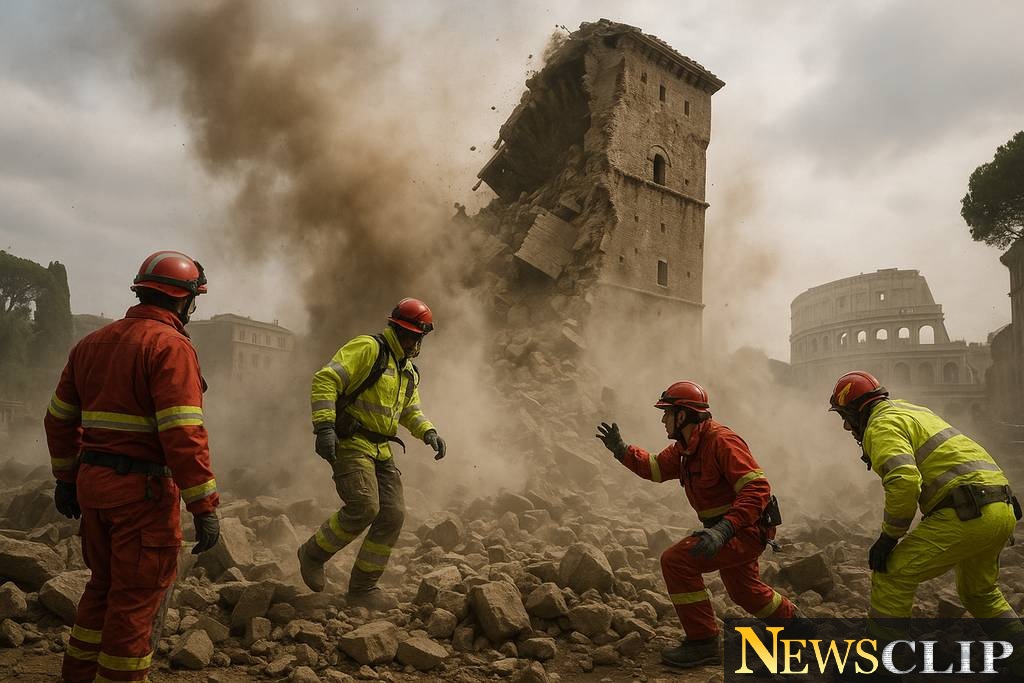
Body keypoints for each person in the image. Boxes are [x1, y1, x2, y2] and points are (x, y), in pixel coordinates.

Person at [44, 250, 220, 683]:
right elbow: (182, 432)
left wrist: (66, 480)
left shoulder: (91, 343)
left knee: (101, 589)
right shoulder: (170, 346)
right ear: (183, 301)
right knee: (135, 603)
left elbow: (58, 419)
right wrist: (205, 505)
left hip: (94, 488)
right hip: (141, 497)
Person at [828, 370, 1023, 672]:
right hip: (1002, 507)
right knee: (978, 592)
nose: (844, 426)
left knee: (892, 574)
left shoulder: (881, 424)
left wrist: (889, 537)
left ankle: (879, 670)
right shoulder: (914, 411)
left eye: (844, 415)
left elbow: (904, 480)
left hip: (967, 512)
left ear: (857, 409)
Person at [596, 380, 797, 669]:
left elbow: (757, 489)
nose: (662, 419)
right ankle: (796, 625)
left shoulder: (721, 441)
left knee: (677, 561)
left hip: (743, 529)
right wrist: (622, 450)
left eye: (667, 413)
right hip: (728, 530)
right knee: (744, 591)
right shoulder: (685, 447)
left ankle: (703, 641)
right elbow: (654, 468)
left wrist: (723, 530)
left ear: (683, 415)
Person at [297, 298, 446, 609]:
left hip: (381, 449)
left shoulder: (408, 370)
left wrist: (428, 432)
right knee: (365, 506)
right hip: (351, 442)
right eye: (411, 336)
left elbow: (409, 410)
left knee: (393, 514)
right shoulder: (369, 349)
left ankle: (363, 589)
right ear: (399, 331)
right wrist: (324, 427)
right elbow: (326, 380)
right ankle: (312, 554)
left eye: (415, 338)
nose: (413, 343)